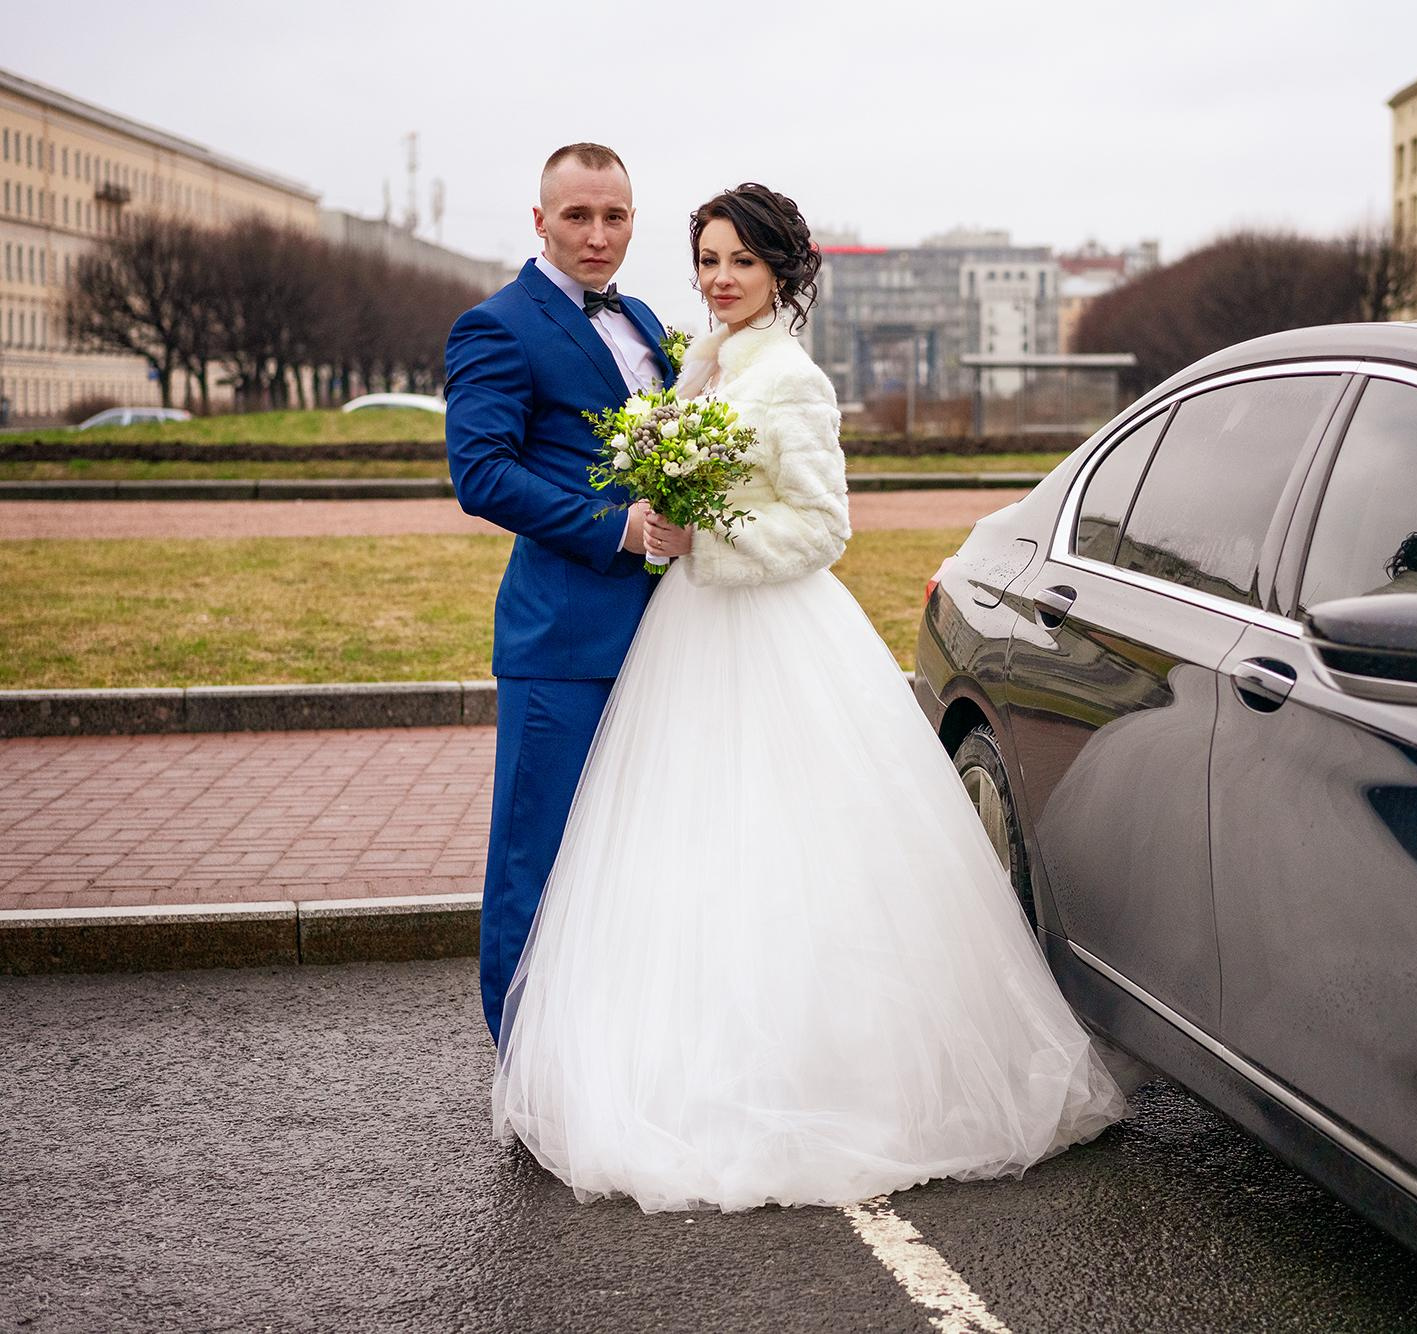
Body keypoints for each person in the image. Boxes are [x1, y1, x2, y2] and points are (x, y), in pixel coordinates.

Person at [490, 183, 1126, 1212]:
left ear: (782, 271)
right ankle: (694, 1064)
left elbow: (822, 529)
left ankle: (820, 1076)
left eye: (740, 260)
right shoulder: (706, 361)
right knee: (687, 848)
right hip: (687, 633)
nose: (719, 278)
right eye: (706, 259)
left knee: (792, 847)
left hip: (768, 629)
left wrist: (710, 537)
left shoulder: (787, 377)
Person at [444, 144, 688, 1042]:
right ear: (539, 220)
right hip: (562, 641)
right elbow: (481, 474)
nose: (597, 234)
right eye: (577, 216)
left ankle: (607, 1052)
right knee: (534, 859)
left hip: (666, 633)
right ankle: (522, 1061)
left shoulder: (647, 318)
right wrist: (611, 527)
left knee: (631, 853)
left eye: (614, 216)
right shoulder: (496, 325)